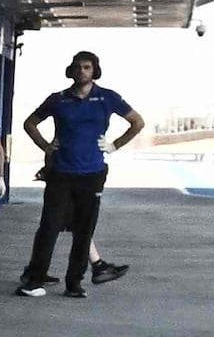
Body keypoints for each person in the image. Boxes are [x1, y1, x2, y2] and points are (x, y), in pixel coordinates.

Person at [16, 49, 143, 297]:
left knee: (85, 229)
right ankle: (34, 281)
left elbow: (137, 122)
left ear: (94, 71)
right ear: (71, 70)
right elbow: (29, 123)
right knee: (49, 227)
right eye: (79, 67)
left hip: (92, 172)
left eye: (87, 67)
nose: (82, 71)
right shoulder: (58, 99)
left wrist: (115, 145)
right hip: (61, 172)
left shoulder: (107, 98)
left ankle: (74, 283)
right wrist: (45, 146)